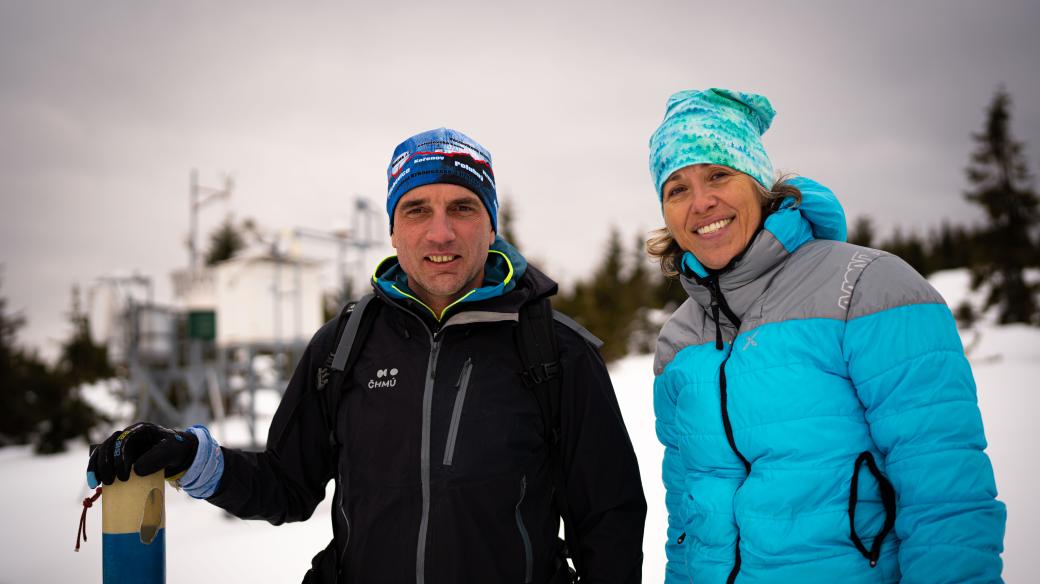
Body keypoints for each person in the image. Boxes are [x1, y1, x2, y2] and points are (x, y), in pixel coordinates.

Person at [87, 128, 647, 583]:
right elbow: (286, 484)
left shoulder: (558, 351)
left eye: (463, 207)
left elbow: (609, 519)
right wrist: (191, 458)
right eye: (417, 210)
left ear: (492, 223)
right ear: (393, 230)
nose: (441, 232)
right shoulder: (343, 345)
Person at [645, 89, 1005, 583]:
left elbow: (945, 496)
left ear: (758, 183)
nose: (701, 202)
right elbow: (687, 520)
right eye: (676, 189)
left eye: (718, 175)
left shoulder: (869, 287)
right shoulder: (679, 340)